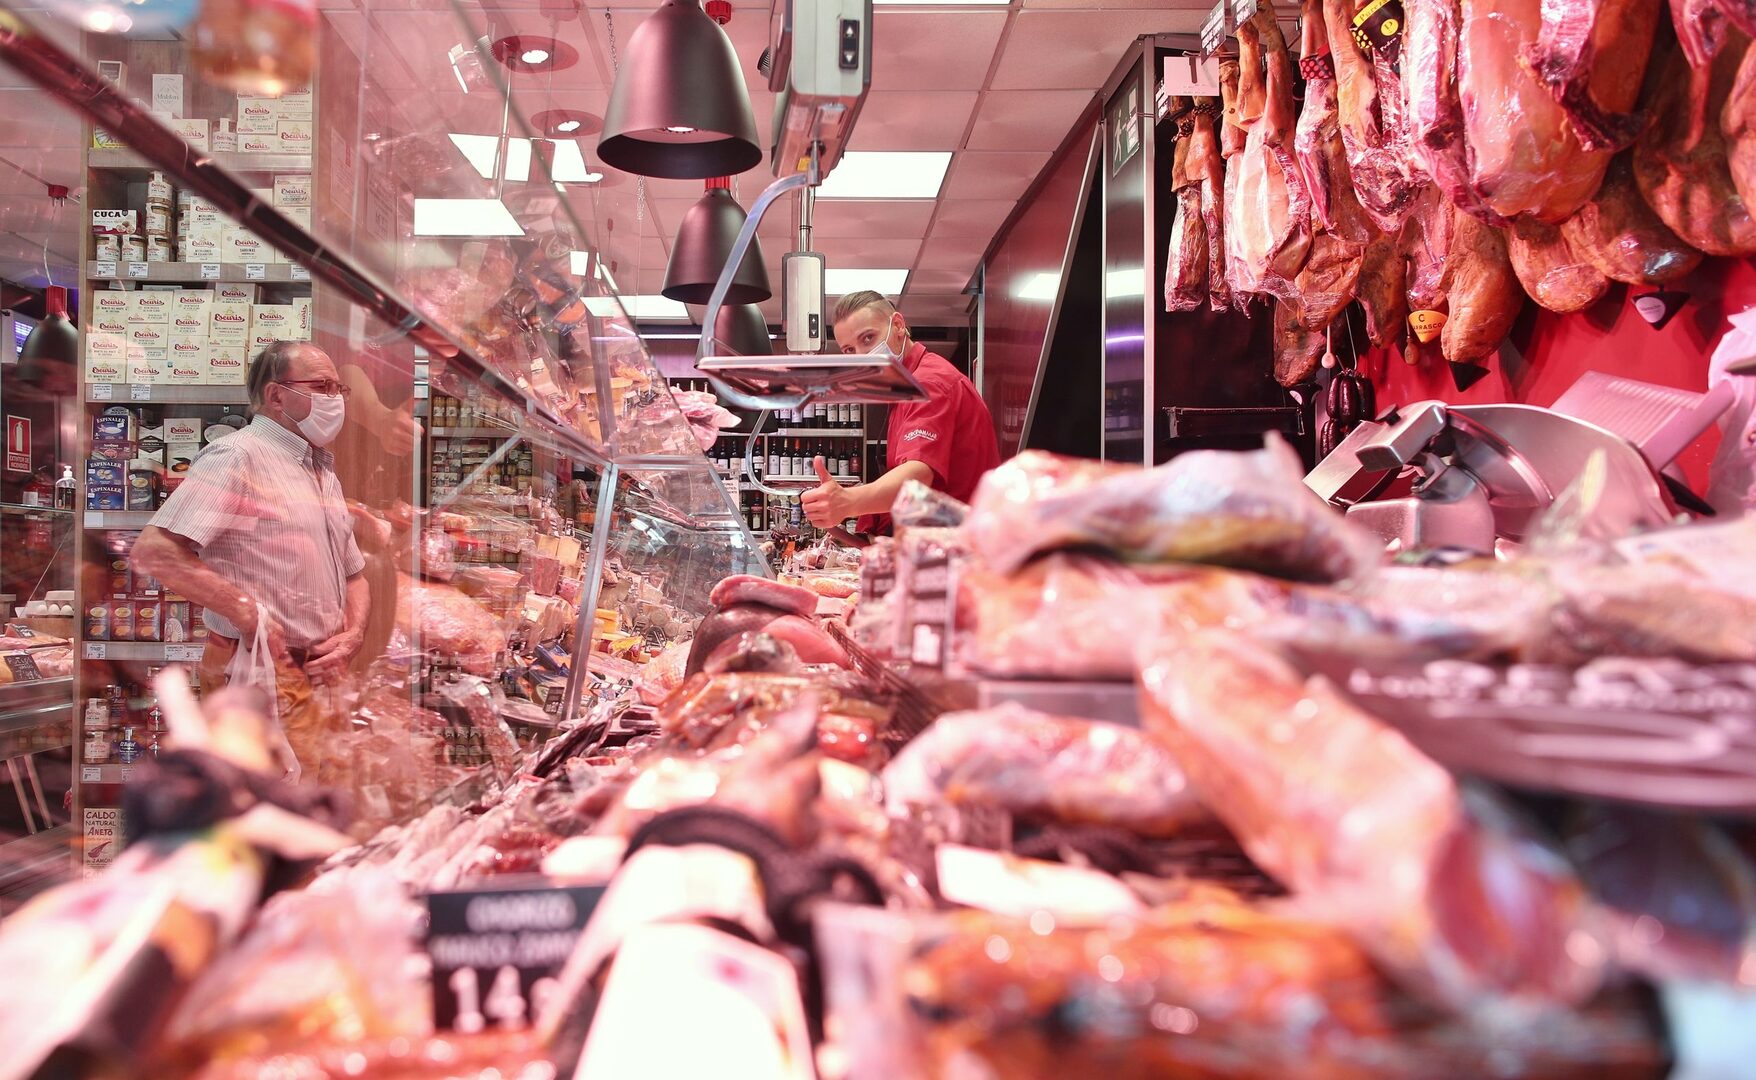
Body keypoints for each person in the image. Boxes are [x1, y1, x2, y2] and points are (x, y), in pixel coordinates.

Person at [132, 340, 369, 772]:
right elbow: (156, 551)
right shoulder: (237, 456)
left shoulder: (320, 469)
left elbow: (354, 574)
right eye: (322, 387)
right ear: (276, 395)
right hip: (258, 671)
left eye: (339, 389)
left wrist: (353, 635)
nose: (335, 399)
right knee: (264, 803)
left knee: (317, 799)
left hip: (320, 674)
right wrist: (244, 610)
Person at [801, 292, 1000, 535]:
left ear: (898, 325)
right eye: (850, 349)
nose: (863, 355)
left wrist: (848, 501)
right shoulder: (903, 387)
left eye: (868, 338)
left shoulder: (928, 382)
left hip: (962, 544)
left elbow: (917, 477)